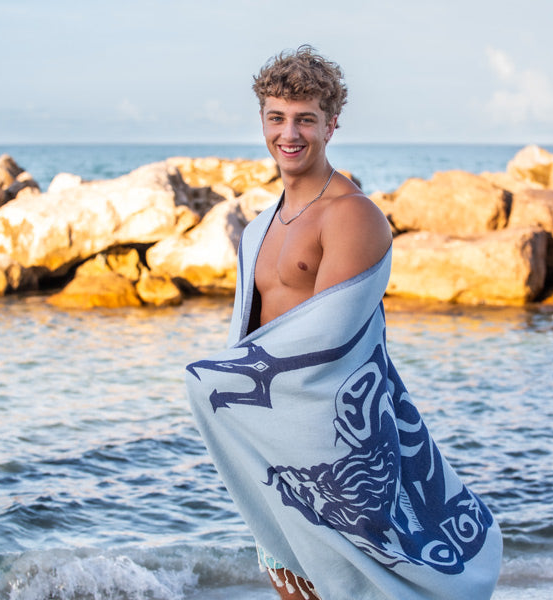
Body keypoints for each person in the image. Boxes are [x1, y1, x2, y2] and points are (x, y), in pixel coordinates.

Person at [186, 46, 502, 600]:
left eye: (305, 118)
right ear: (262, 120)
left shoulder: (353, 216)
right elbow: (252, 336)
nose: (290, 133)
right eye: (277, 117)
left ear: (331, 124)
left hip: (339, 442)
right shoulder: (259, 229)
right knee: (292, 583)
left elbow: (327, 343)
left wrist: (212, 382)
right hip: (278, 443)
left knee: (359, 583)